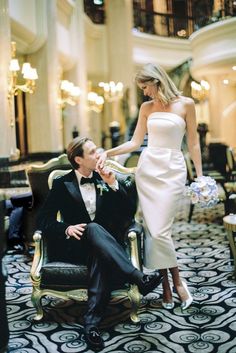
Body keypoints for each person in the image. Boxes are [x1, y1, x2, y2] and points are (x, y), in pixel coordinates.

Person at [38, 136, 162, 352]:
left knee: (98, 251)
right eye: (93, 152)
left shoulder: (104, 177)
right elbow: (44, 220)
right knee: (92, 230)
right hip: (74, 246)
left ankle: (91, 324)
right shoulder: (61, 183)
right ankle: (137, 278)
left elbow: (128, 217)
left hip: (106, 247)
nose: (100, 154)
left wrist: (113, 183)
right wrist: (66, 228)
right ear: (79, 159)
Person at [97, 63, 203, 311]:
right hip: (149, 170)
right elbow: (135, 142)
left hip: (173, 169)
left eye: (145, 87)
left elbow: (194, 143)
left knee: (160, 232)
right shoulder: (146, 107)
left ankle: (174, 284)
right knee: (155, 232)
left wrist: (199, 176)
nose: (144, 92)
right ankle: (171, 285)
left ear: (156, 81)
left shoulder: (186, 104)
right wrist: (108, 152)